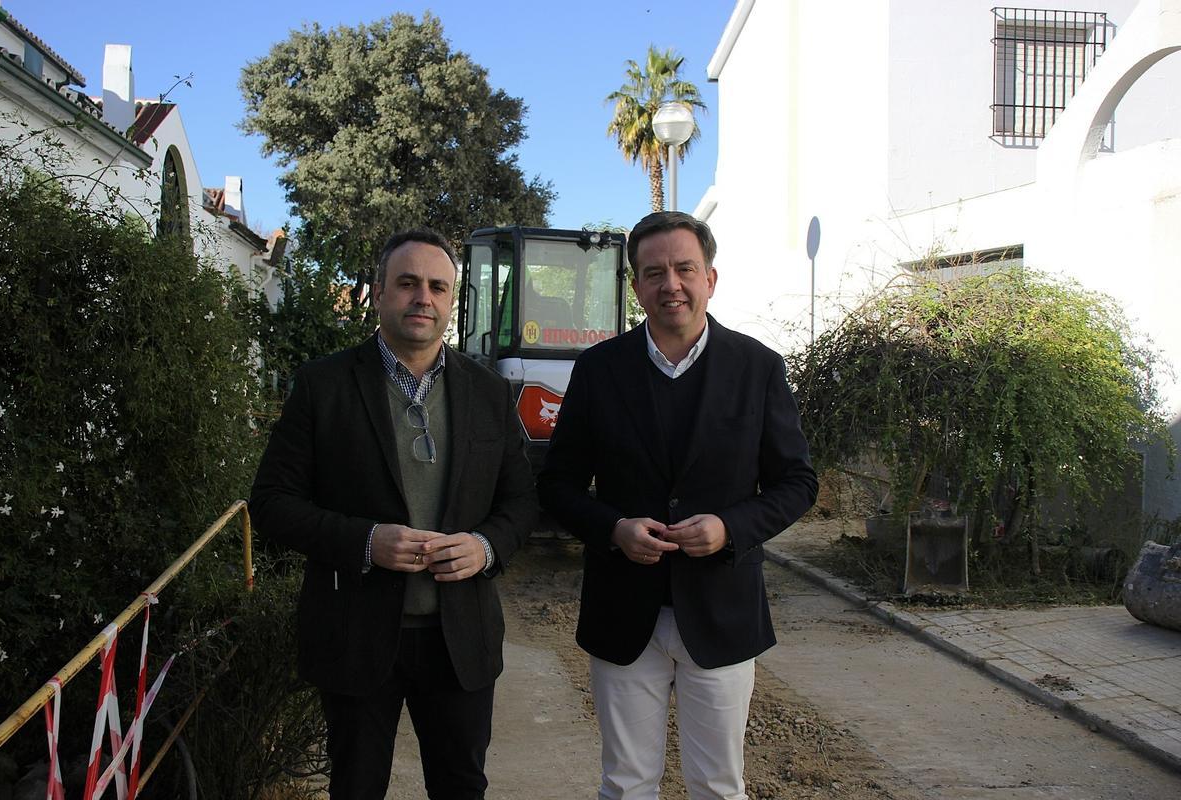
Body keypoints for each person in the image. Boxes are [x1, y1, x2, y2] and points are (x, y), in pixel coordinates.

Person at [538, 211, 818, 800]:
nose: (672, 284)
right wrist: (612, 529)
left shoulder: (758, 368)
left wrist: (730, 527)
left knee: (718, 785)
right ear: (635, 286)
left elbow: (797, 482)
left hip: (721, 610)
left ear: (710, 278)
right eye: (654, 272)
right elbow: (556, 486)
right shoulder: (596, 371)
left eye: (685, 268)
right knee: (626, 783)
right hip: (623, 612)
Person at [250, 228, 538, 799]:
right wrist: (364, 541)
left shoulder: (489, 393)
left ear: (452, 301)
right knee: (356, 788)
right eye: (407, 283)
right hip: (355, 634)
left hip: (460, 640)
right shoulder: (323, 385)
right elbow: (272, 504)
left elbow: (522, 501)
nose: (422, 298)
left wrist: (484, 547)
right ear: (378, 292)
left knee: (461, 787)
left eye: (437, 286)